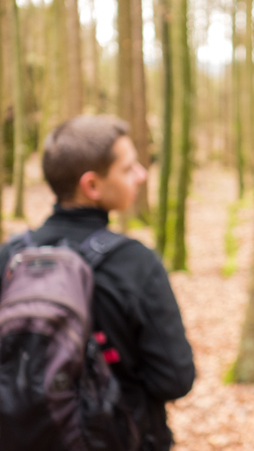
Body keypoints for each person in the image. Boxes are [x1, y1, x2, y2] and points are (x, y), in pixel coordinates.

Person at [0, 115, 195, 451]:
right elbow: (174, 379)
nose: (142, 175)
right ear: (91, 185)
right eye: (128, 168)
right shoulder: (136, 263)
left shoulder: (9, 258)